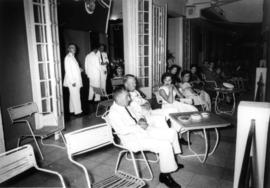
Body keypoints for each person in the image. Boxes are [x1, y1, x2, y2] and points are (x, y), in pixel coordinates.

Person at [108, 87, 182, 188]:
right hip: (133, 140)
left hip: (142, 131)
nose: (129, 99)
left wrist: (141, 120)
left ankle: (172, 160)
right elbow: (122, 130)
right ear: (119, 98)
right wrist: (138, 126)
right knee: (164, 144)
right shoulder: (113, 113)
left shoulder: (124, 105)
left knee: (172, 132)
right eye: (127, 97)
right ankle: (165, 175)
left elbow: (137, 115)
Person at [63, 43, 83, 115]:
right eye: (71, 47)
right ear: (68, 49)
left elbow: (73, 68)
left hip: (75, 79)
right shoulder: (68, 57)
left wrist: (79, 69)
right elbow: (68, 70)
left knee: (73, 96)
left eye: (74, 48)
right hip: (73, 81)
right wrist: (72, 81)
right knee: (76, 96)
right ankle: (78, 111)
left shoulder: (72, 57)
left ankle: (72, 110)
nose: (73, 49)